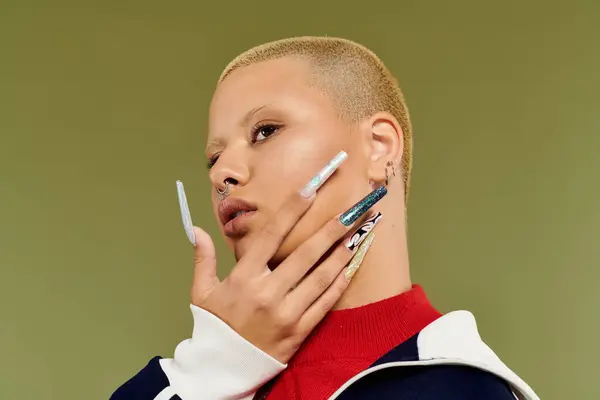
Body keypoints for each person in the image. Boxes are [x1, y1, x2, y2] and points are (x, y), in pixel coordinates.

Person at [111, 37, 540, 400]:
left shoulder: (459, 387)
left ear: (378, 147)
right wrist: (210, 369)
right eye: (214, 158)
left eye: (265, 131)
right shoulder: (199, 380)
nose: (223, 173)